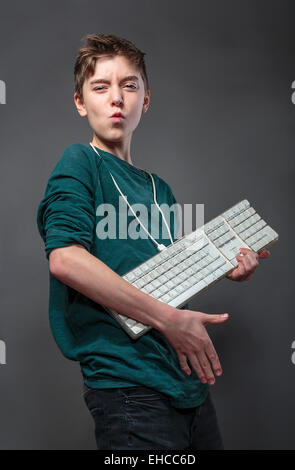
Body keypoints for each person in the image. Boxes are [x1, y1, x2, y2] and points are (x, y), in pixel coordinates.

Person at [36, 33, 270, 450]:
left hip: (185, 381)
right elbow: (67, 259)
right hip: (130, 388)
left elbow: (162, 274)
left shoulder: (158, 188)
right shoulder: (79, 162)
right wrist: (169, 320)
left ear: (145, 100)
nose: (116, 98)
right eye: (100, 86)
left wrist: (223, 267)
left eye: (129, 85)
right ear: (79, 101)